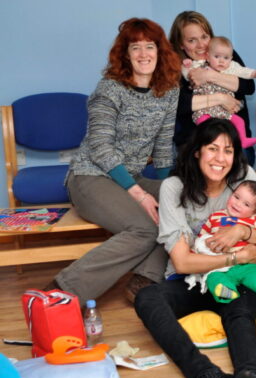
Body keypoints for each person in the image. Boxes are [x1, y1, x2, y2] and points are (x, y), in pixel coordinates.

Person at [135, 118, 256, 378]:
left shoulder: (245, 177)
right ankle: (205, 374)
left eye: (228, 150)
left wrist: (243, 231)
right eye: (212, 149)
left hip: (235, 278)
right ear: (197, 152)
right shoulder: (173, 187)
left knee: (238, 308)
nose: (220, 158)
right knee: (147, 297)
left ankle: (250, 374)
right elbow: (182, 263)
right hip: (192, 281)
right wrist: (238, 254)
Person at [43, 18, 180, 304]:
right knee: (145, 229)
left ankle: (145, 278)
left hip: (131, 177)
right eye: (135, 48)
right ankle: (61, 292)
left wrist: (168, 193)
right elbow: (100, 147)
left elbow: (164, 146)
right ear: (125, 55)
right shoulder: (109, 88)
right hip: (90, 176)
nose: (144, 54)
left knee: (184, 201)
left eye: (149, 46)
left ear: (160, 50)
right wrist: (139, 193)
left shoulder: (169, 90)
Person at [184, 180, 256, 320]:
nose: (238, 204)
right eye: (237, 197)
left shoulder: (254, 221)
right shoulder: (215, 217)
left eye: (246, 204)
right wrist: (196, 250)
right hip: (220, 266)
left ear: (255, 211)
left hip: (247, 266)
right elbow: (202, 237)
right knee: (213, 279)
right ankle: (230, 294)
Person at [170, 11, 256, 165]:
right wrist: (220, 98)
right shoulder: (175, 67)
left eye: (204, 37)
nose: (202, 45)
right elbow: (178, 104)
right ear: (181, 44)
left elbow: (248, 86)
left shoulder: (222, 52)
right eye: (192, 40)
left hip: (233, 140)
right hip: (194, 142)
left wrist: (209, 76)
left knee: (237, 163)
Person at [181, 36, 256, 148]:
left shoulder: (231, 67)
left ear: (231, 58)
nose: (221, 61)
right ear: (208, 57)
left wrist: (253, 73)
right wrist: (186, 66)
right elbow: (187, 74)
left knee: (239, 121)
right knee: (205, 125)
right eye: (217, 57)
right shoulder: (200, 65)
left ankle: (242, 139)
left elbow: (244, 72)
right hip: (205, 110)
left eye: (226, 58)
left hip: (223, 110)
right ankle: (205, 144)